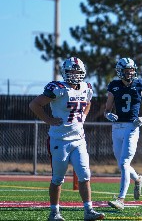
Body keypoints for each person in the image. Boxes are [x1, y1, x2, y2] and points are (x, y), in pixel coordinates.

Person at [29, 57, 105, 221]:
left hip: (79, 139)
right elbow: (34, 104)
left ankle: (88, 211)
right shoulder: (58, 88)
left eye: (77, 72)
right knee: (58, 178)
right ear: (64, 72)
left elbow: (88, 102)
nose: (75, 75)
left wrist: (84, 116)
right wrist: (48, 120)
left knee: (85, 175)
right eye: (71, 71)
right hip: (59, 139)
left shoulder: (86, 87)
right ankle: (54, 212)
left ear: (83, 72)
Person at [104, 57, 142, 210]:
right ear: (120, 71)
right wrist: (108, 115)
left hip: (132, 127)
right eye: (127, 70)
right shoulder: (114, 85)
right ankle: (138, 178)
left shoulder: (140, 84)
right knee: (121, 164)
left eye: (132, 70)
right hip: (117, 127)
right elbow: (107, 109)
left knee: (125, 163)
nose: (130, 73)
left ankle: (121, 199)